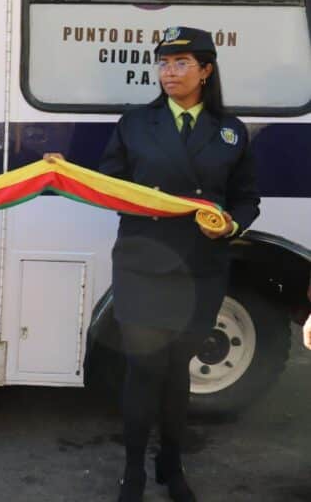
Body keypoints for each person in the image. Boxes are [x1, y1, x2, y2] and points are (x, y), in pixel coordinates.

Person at [57, 26, 258, 502]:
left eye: (182, 63)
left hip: (201, 269)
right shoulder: (135, 124)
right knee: (144, 369)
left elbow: (247, 199)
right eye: (164, 63)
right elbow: (109, 185)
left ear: (206, 71)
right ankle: (133, 471)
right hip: (144, 266)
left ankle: (172, 463)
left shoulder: (230, 131)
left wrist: (229, 226)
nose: (169, 73)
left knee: (176, 370)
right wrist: (64, 172)